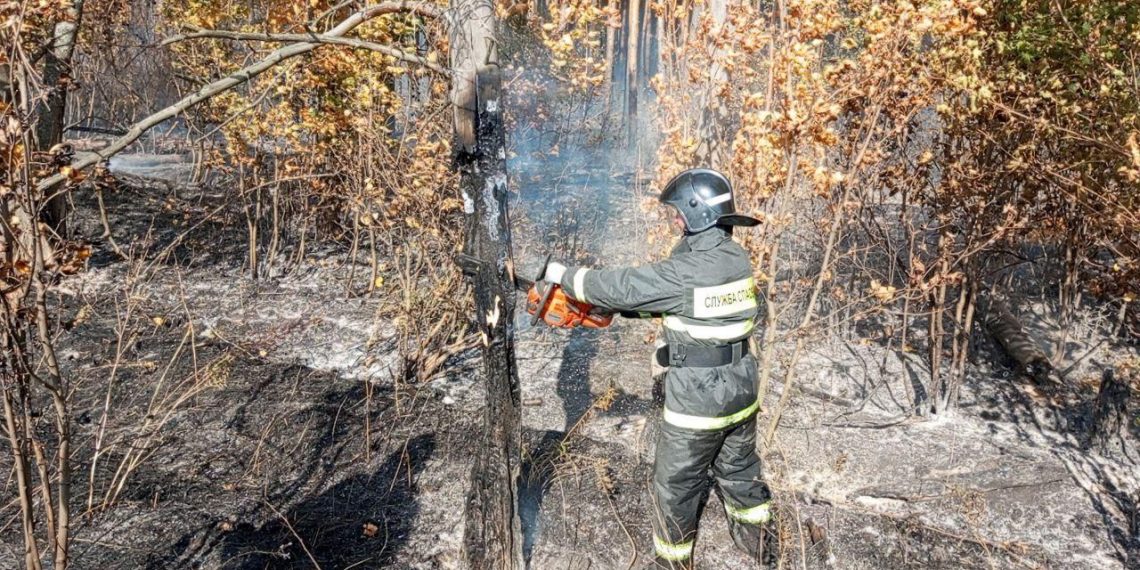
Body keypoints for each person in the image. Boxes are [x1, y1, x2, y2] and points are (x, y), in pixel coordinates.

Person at [543, 168, 776, 568]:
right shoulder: (733, 258)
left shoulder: (690, 268)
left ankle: (672, 562)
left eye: (677, 212)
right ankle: (764, 549)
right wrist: (612, 313)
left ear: (696, 211)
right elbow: (682, 302)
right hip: (740, 389)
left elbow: (627, 285)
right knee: (740, 471)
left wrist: (565, 277)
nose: (673, 220)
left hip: (699, 400)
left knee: (676, 486)